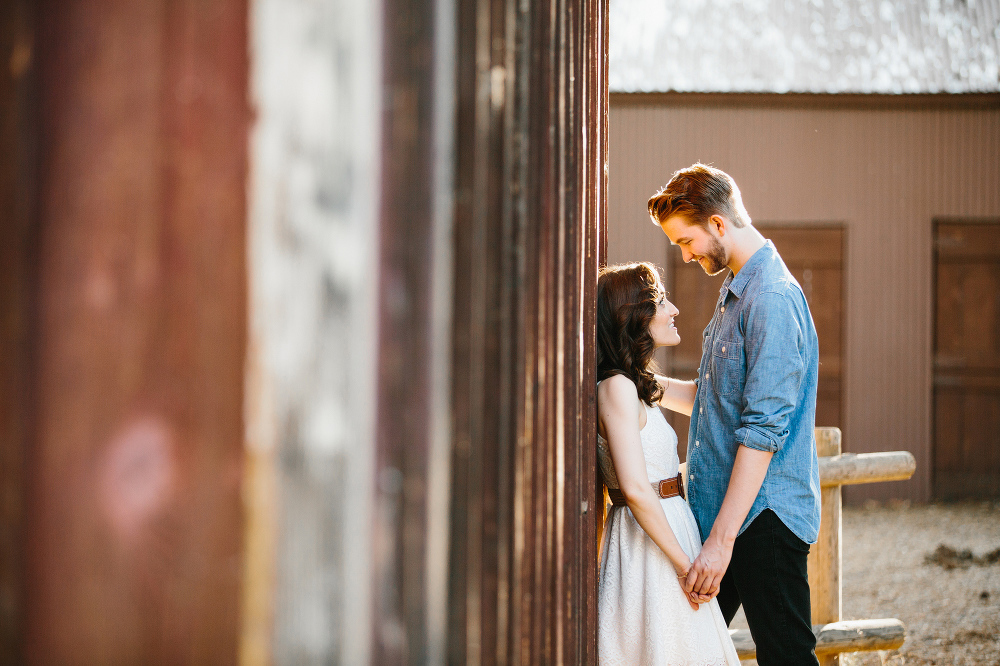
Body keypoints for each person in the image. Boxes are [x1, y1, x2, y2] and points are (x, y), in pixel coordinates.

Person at [647, 163, 822, 666]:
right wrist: (639, 384)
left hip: (761, 521)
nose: (685, 255)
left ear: (719, 225)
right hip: (724, 514)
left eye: (687, 240)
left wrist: (720, 544)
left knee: (786, 656)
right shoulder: (738, 290)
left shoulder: (770, 298)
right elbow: (712, 399)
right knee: (688, 650)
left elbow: (762, 432)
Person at [596, 262, 740, 665]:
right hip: (651, 544)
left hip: (672, 528)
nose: (674, 309)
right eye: (660, 301)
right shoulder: (617, 388)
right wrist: (683, 565)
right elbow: (638, 489)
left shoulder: (636, 382)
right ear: (633, 317)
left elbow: (702, 399)